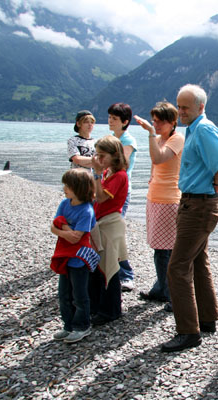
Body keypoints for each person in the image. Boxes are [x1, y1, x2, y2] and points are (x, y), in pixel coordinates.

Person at [160, 84, 218, 353]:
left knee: (177, 268)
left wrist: (214, 182)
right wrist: (211, 181)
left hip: (199, 206)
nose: (180, 111)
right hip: (194, 203)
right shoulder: (192, 129)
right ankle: (208, 319)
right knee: (199, 261)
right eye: (179, 106)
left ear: (201, 107)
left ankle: (188, 331)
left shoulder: (203, 128)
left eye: (185, 107)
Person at [134, 102, 184, 303]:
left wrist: (148, 133)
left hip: (169, 199)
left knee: (167, 250)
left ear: (173, 122)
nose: (156, 125)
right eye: (154, 121)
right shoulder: (159, 138)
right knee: (159, 249)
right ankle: (162, 288)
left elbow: (158, 158)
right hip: (155, 197)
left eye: (160, 121)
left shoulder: (177, 138)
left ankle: (171, 294)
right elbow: (155, 166)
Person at [50, 168, 99, 343]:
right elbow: (53, 226)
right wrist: (65, 230)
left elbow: (76, 238)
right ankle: (68, 325)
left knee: (79, 294)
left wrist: (62, 228)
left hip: (79, 258)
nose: (64, 188)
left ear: (78, 188)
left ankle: (82, 326)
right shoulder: (65, 203)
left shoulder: (86, 210)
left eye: (68, 185)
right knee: (64, 294)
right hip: (65, 255)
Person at [89, 135, 129, 326]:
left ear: (114, 156)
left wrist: (96, 173)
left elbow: (102, 197)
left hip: (110, 224)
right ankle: (99, 306)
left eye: (102, 155)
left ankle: (110, 310)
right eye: (97, 155)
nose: (99, 159)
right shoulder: (109, 173)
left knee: (109, 268)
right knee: (100, 267)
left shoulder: (119, 175)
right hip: (103, 222)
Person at [108, 103, 136, 292]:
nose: (110, 120)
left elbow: (121, 164)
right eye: (110, 117)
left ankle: (126, 275)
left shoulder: (128, 140)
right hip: (107, 188)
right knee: (107, 232)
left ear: (125, 122)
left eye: (114, 118)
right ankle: (110, 271)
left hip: (121, 191)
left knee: (115, 233)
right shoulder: (111, 138)